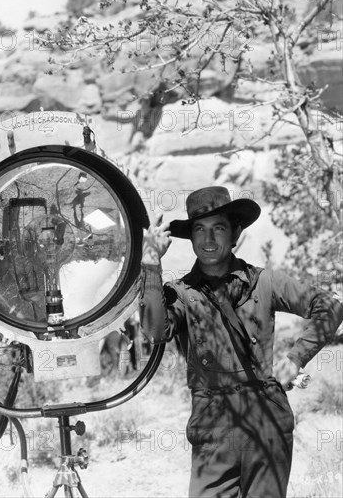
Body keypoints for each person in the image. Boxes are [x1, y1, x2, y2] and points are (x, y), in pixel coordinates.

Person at [139, 186, 343, 498]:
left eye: (218, 228)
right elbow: (155, 331)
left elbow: (329, 305)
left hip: (267, 421)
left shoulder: (264, 281)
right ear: (191, 237)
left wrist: (297, 357)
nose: (208, 240)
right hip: (212, 425)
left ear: (235, 232)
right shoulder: (180, 292)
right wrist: (151, 266)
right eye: (199, 230)